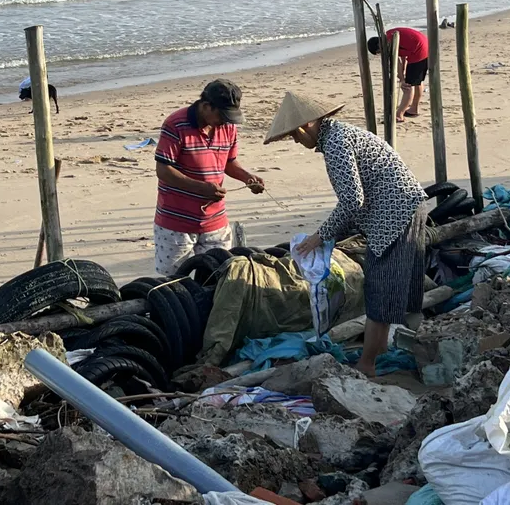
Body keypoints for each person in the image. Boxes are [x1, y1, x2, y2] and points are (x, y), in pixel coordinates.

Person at [264, 92, 427, 377]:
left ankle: (367, 364)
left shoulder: (337, 143)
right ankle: (393, 349)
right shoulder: (339, 134)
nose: (297, 142)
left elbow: (352, 200)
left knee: (380, 289)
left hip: (394, 212)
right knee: (393, 287)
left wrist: (321, 236)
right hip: (403, 205)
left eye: (293, 136)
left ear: (304, 127)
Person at [153, 79, 265, 276]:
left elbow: (229, 162)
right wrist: (201, 188)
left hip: (215, 221)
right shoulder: (175, 124)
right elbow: (163, 170)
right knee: (174, 285)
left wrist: (248, 178)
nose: (225, 121)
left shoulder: (228, 127)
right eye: (222, 115)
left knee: (216, 277)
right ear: (206, 106)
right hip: (176, 224)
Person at [367, 27, 429, 121]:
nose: (381, 53)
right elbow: (402, 54)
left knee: (408, 86)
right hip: (424, 45)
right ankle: (414, 108)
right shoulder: (388, 36)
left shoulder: (388, 43)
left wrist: (402, 79)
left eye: (379, 52)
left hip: (418, 50)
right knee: (417, 81)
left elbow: (396, 61)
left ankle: (399, 115)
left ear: (379, 46)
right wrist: (404, 69)